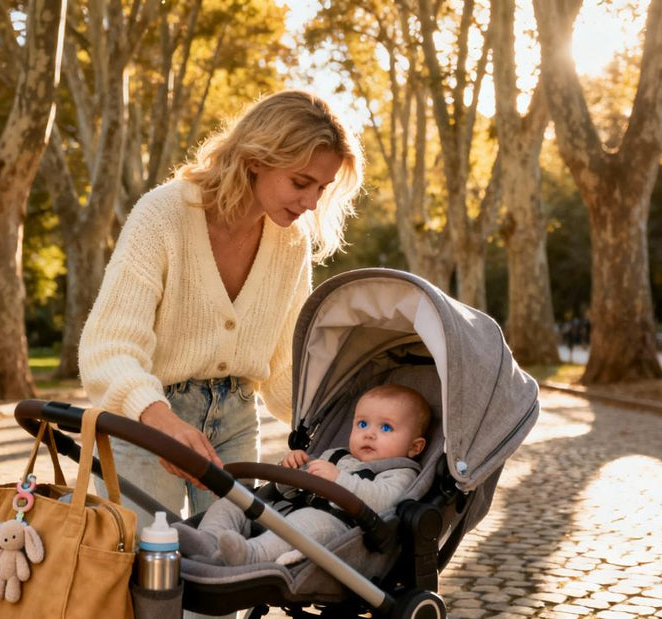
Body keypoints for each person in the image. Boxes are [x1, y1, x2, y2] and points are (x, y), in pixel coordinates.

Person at [78, 90, 365, 528]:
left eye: (321, 189)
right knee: (149, 562)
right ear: (257, 159)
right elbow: (108, 349)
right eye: (300, 182)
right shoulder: (163, 215)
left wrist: (355, 425)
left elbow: (285, 368)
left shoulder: (291, 242)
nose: (311, 203)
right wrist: (162, 422)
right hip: (146, 418)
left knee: (227, 560)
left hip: (236, 421)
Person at [174, 384, 431, 566]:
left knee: (308, 520)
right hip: (286, 512)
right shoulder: (335, 456)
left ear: (415, 447)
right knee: (234, 501)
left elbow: (384, 502)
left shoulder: (400, 472)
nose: (369, 434)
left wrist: (339, 480)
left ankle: (251, 555)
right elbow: (294, 489)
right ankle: (208, 541)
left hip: (336, 530)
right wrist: (291, 472)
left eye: (386, 428)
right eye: (362, 424)